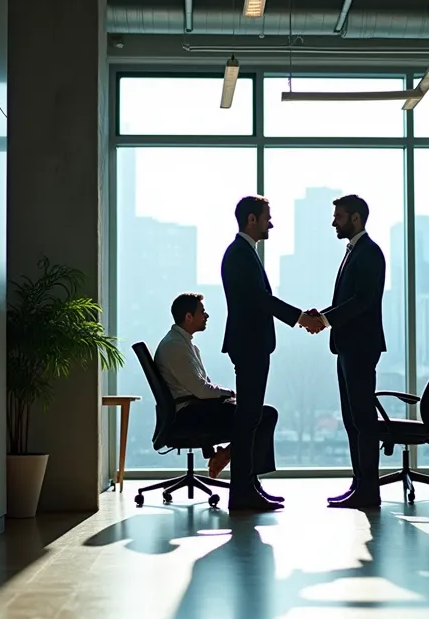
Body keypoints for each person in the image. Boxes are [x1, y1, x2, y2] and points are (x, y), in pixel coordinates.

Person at [221, 195, 324, 511]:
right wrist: (300, 318)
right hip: (249, 345)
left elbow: (261, 298)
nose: (272, 223)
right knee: (248, 418)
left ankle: (249, 485)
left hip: (251, 344)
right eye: (268, 217)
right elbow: (261, 300)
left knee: (251, 417)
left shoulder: (243, 253)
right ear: (252, 219)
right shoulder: (239, 255)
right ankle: (241, 492)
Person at [308, 194, 386, 509]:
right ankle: (360, 485)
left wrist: (325, 319)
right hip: (348, 347)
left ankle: (369, 490)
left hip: (360, 346)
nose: (333, 222)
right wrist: (323, 315)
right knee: (353, 419)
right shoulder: (355, 251)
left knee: (362, 420)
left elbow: (362, 300)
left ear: (355, 218)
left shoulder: (369, 252)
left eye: (338, 216)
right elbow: (348, 301)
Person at [153, 293, 278, 482]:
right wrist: (229, 393)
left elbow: (202, 387)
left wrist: (226, 397)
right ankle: (244, 476)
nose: (206, 315)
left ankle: (236, 466)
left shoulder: (183, 344)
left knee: (256, 414)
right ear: (188, 317)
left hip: (197, 409)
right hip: (191, 416)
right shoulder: (175, 347)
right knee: (263, 416)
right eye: (202, 312)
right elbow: (202, 390)